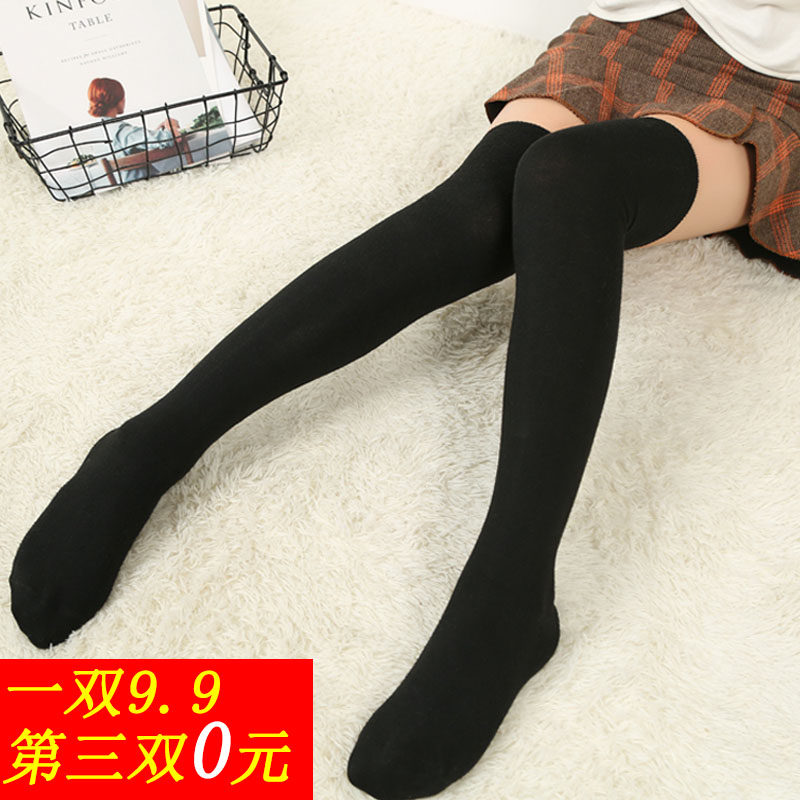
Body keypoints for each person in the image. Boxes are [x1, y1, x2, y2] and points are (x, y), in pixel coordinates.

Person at [9, 3, 800, 798]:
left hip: (780, 74)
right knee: (478, 206)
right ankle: (151, 443)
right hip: (638, 23)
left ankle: (512, 590)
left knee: (574, 180)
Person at [87, 77, 184, 184]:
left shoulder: (99, 132)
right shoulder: (122, 131)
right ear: (117, 100)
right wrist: (171, 124)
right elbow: (173, 137)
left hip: (123, 187)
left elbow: (134, 147)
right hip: (148, 185)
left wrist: (156, 132)